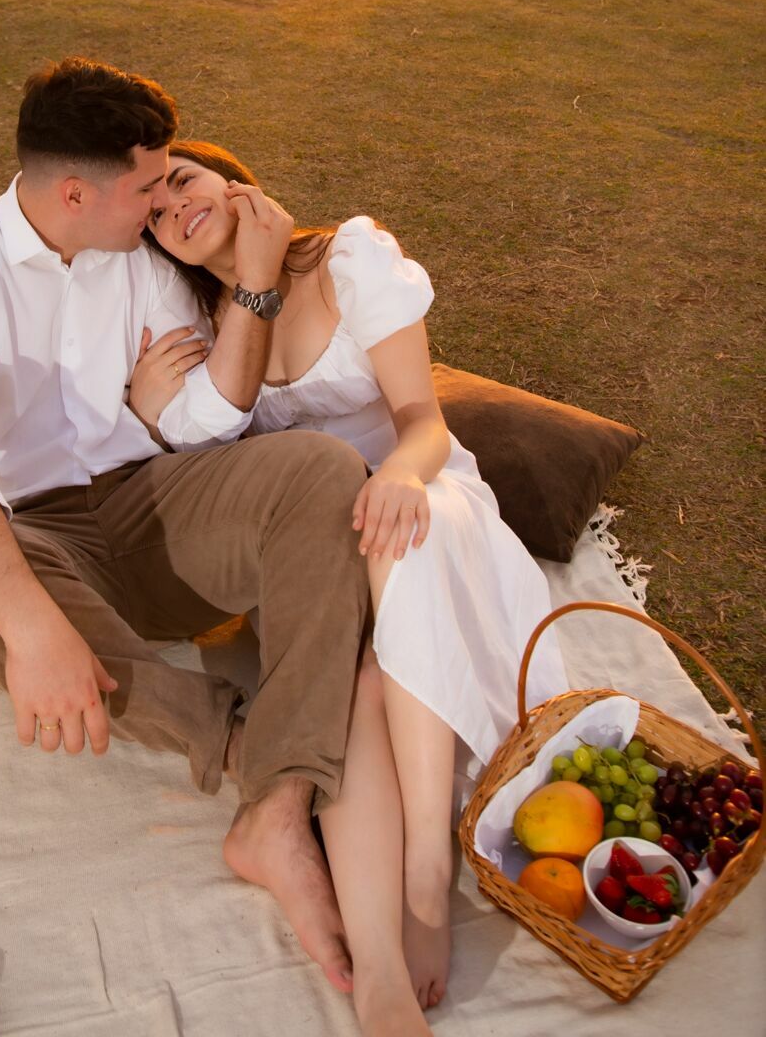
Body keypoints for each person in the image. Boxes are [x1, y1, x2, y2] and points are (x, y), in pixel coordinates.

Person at [0, 57, 374, 998]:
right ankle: (259, 762)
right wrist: (34, 632)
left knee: (317, 469)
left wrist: (167, 403)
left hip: (155, 504)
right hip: (39, 534)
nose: (162, 204)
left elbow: (204, 422)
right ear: (77, 192)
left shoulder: (136, 256)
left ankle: (273, 811)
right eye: (147, 187)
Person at [141, 140, 569, 1031]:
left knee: (389, 541)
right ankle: (377, 973)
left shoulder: (349, 257)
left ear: (232, 178)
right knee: (352, 687)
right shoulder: (216, 328)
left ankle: (422, 873)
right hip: (317, 543)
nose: (173, 206)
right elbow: (204, 456)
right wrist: (153, 407)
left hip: (422, 494)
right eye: (153, 213)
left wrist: (403, 477)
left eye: (182, 180)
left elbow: (423, 422)